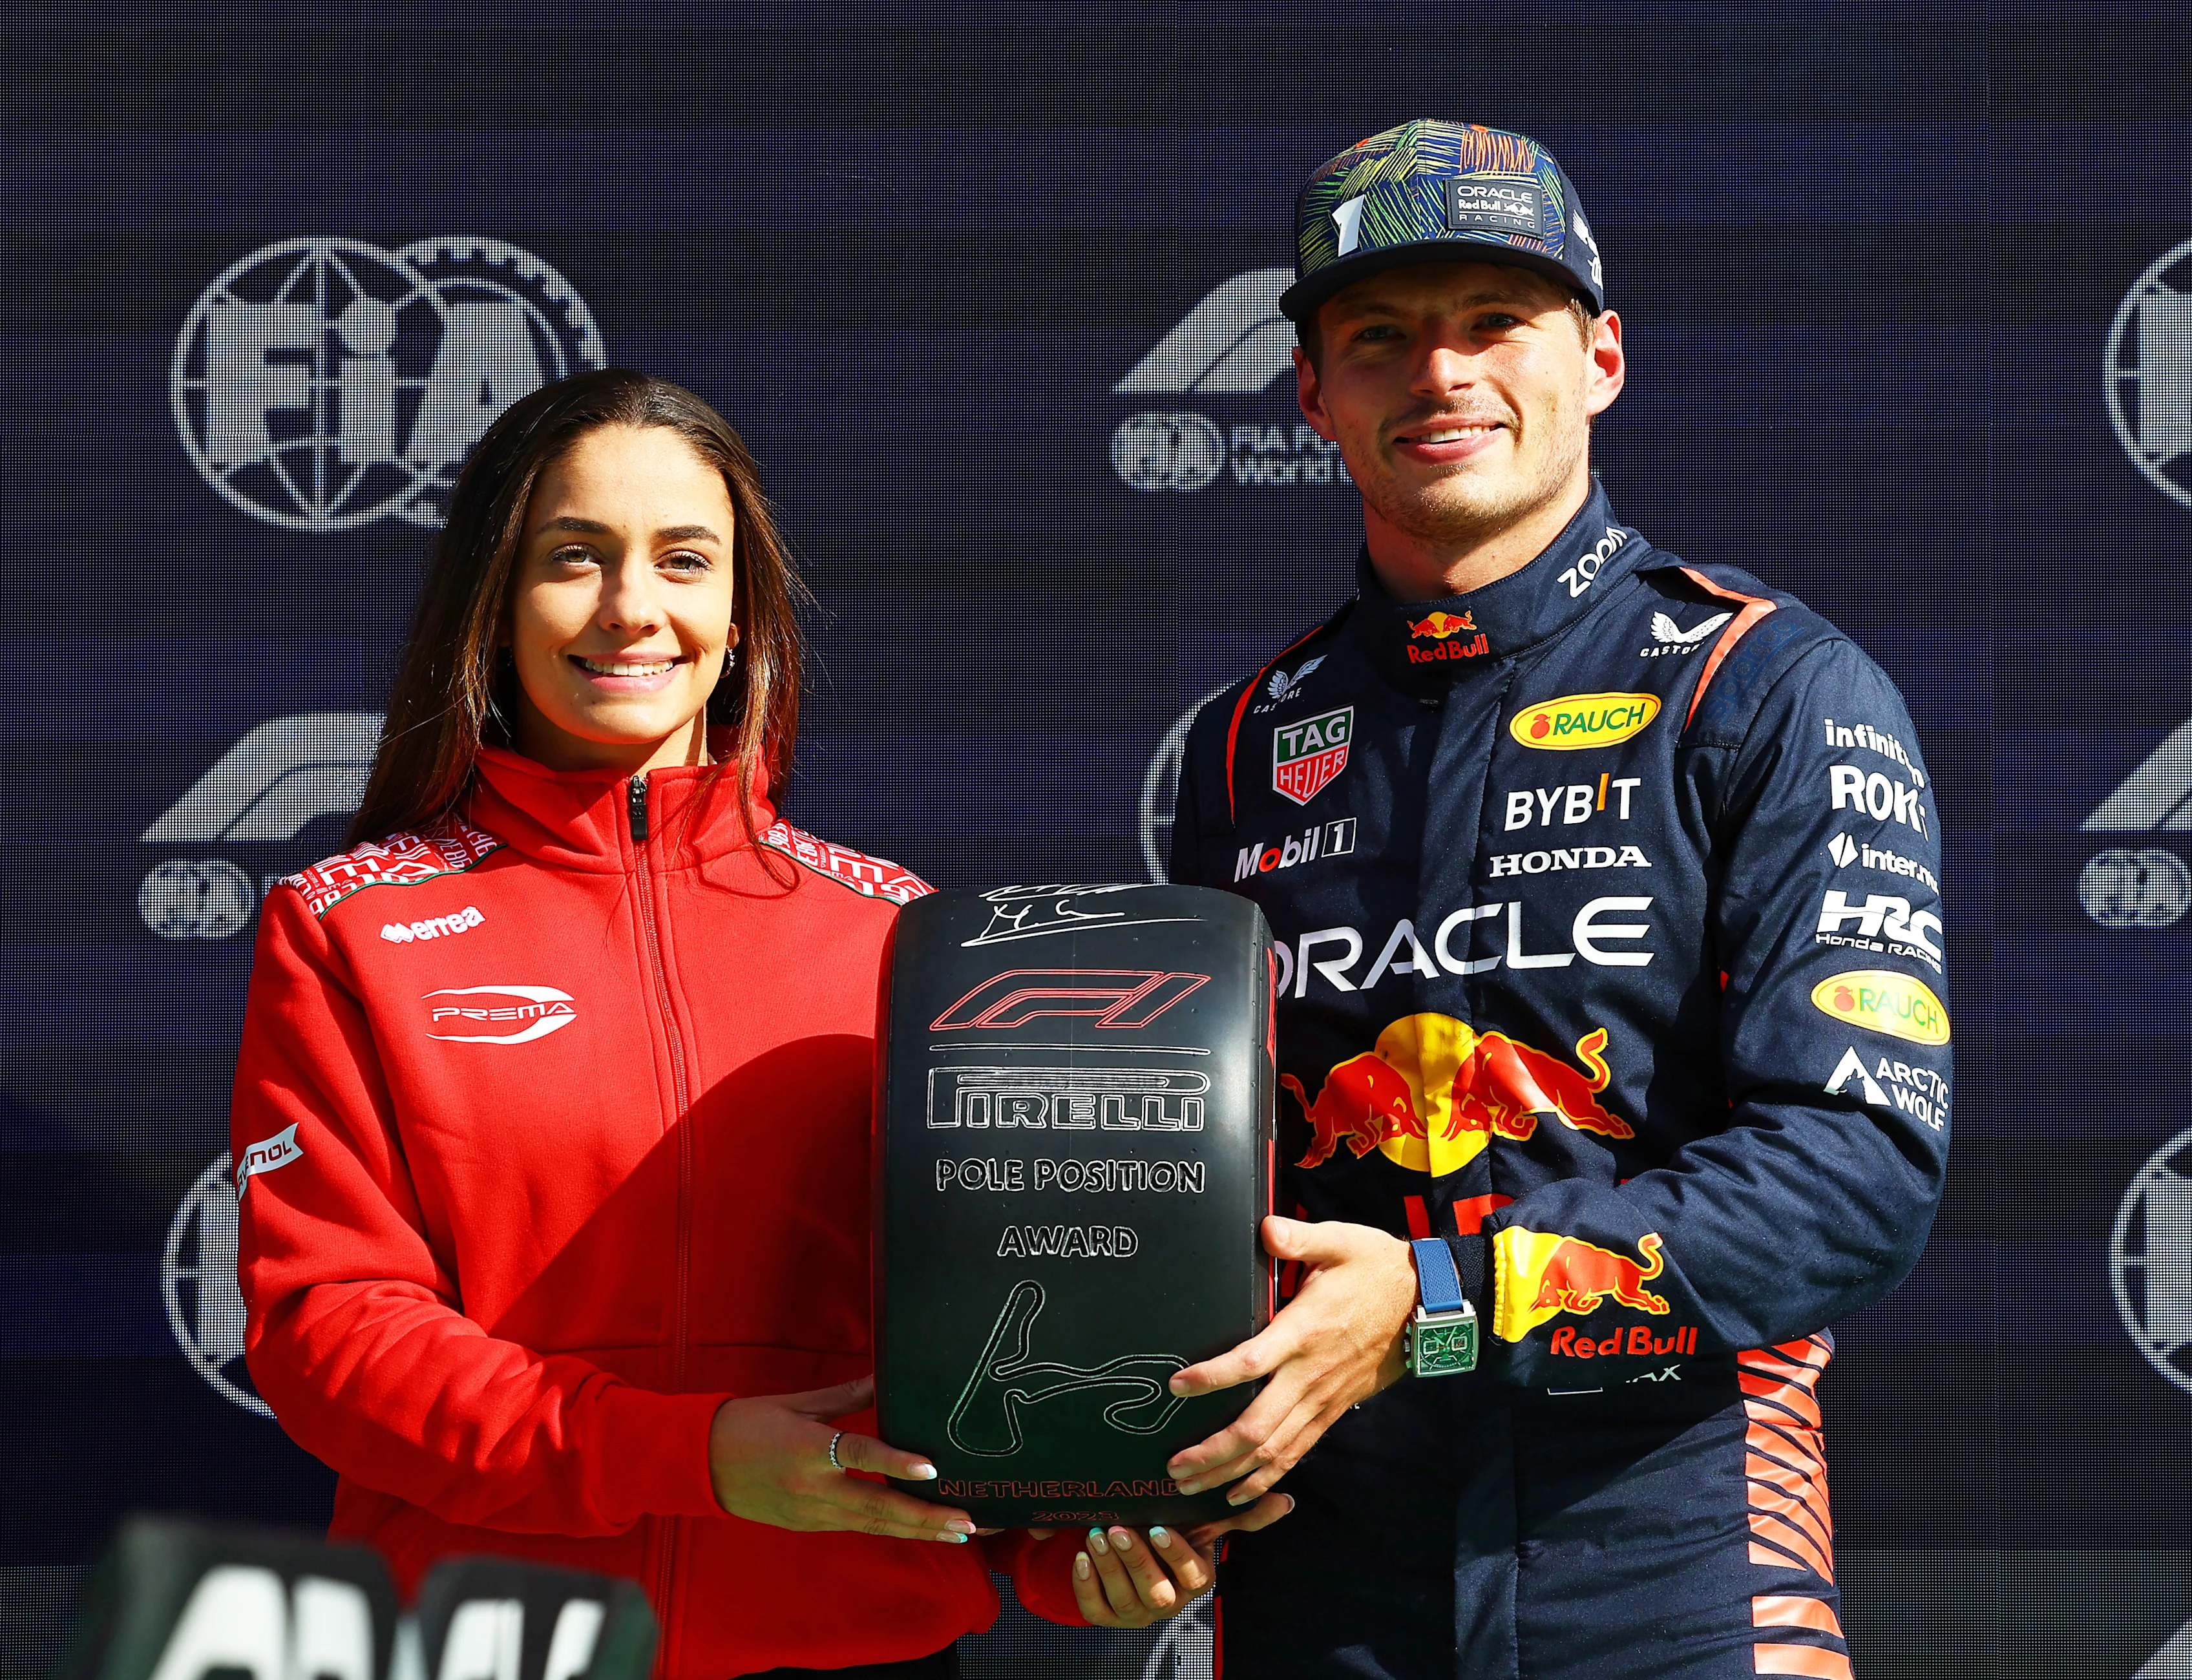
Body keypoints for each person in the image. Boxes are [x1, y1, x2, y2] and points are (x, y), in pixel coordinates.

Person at [230, 369, 1263, 1676]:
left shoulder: (910, 941)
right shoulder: (347, 928)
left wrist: (1079, 1545)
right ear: (494, 598)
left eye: (683, 559)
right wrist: (695, 1457)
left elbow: (1000, 1335)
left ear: (738, 607)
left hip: (852, 1649)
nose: (632, 609)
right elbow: (333, 1335)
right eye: (574, 558)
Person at [1161, 120, 1950, 1679]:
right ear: (1311, 392)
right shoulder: (1244, 744)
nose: (1442, 373)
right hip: (1327, 1593)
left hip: (1676, 1568)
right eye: (1380, 337)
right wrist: (1126, 1479)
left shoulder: (1766, 685)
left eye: (1493, 324)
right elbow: (1197, 1194)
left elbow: (1857, 1170)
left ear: (1596, 358)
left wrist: (1435, 1305)